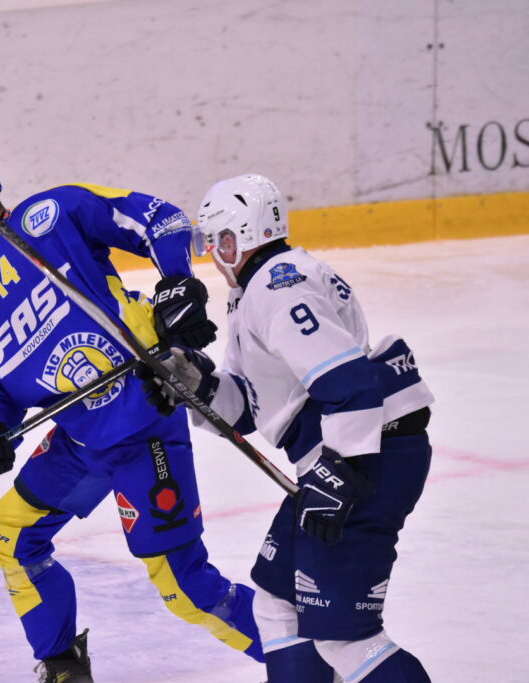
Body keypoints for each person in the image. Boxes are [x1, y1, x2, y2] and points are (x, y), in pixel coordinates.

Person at [0, 146, 265, 682]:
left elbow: (162, 220)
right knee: (10, 537)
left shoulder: (51, 215)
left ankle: (306, 661)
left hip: (144, 416)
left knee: (186, 589)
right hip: (79, 440)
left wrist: (175, 284)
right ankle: (64, 669)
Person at [160, 174, 433, 681]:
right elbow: (251, 408)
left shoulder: (278, 285)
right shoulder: (259, 289)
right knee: (278, 603)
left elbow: (349, 383)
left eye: (216, 240)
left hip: (364, 460)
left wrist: (340, 471)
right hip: (350, 458)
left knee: (346, 638)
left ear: (237, 237)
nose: (212, 254)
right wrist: (198, 384)